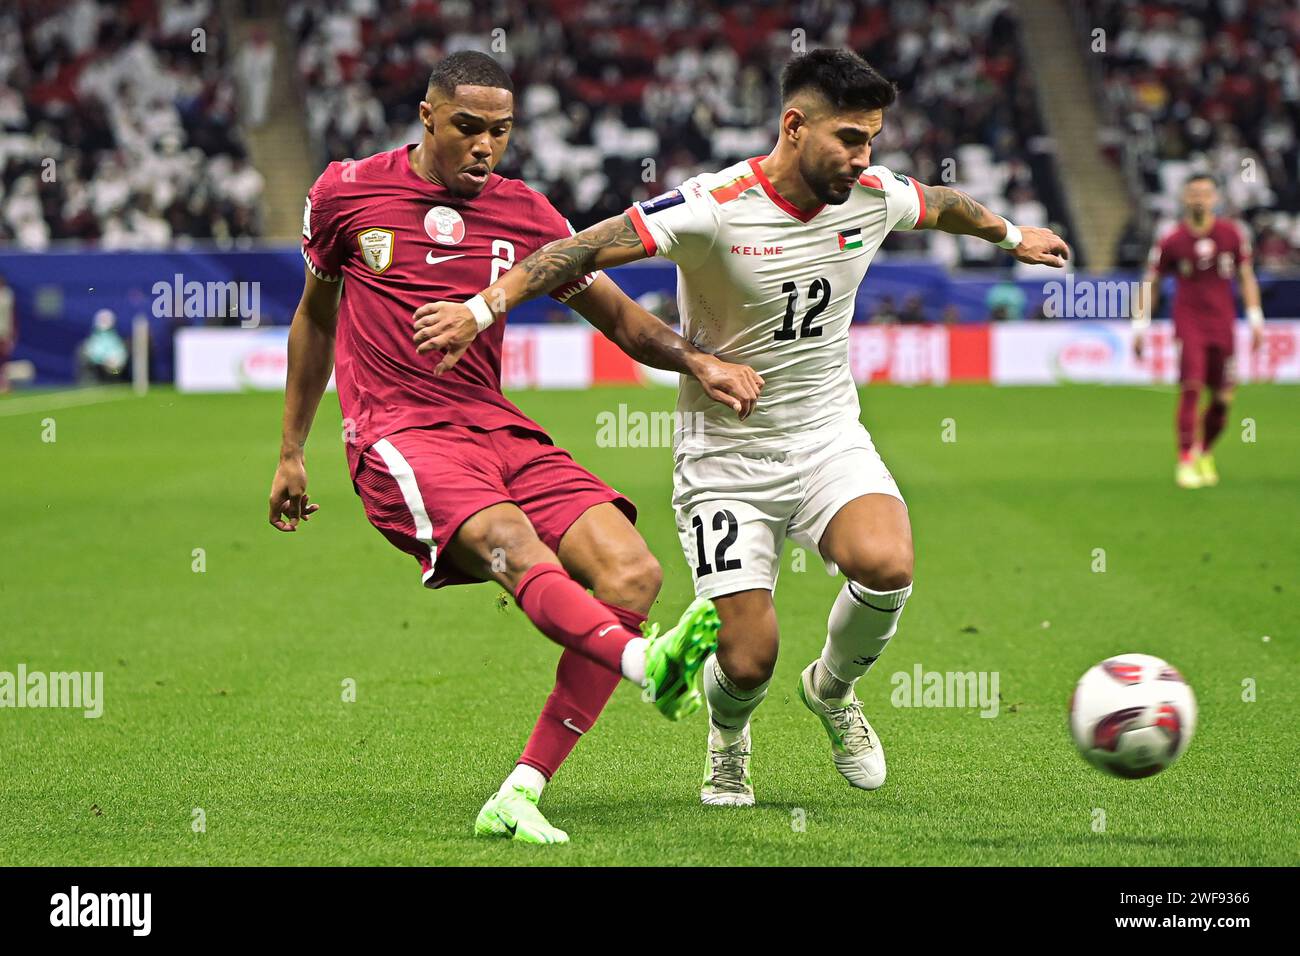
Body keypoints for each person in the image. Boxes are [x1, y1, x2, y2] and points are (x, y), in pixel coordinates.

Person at [413, 49, 1069, 806]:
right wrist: (481, 307)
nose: (864, 159)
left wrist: (1009, 234)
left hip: (827, 438)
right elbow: (578, 250)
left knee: (887, 563)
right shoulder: (713, 206)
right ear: (794, 127)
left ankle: (831, 690)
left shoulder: (875, 194)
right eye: (849, 139)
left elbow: (945, 202)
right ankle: (729, 737)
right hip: (725, 458)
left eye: (872, 141)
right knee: (749, 659)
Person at [269, 52, 762, 844]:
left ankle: (521, 790)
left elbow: (621, 320)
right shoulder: (346, 192)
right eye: (467, 127)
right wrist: (292, 449)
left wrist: (698, 360)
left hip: (497, 427)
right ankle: (650, 668)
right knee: (509, 539)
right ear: (427, 116)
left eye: (500, 131)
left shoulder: (529, 215)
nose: (484, 146)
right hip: (398, 432)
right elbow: (315, 316)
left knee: (633, 572)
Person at [1133, 173, 1263, 488]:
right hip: (1188, 322)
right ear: (1183, 198)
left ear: (1216, 198)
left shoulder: (1232, 234)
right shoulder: (1172, 240)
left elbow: (1245, 276)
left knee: (1222, 399)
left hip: (1223, 324)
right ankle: (1185, 460)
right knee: (1191, 387)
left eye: (1205, 193)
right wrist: (1140, 325)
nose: (1199, 199)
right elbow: (1152, 281)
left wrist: (1256, 318)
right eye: (1193, 193)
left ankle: (1204, 451)